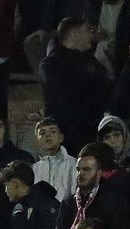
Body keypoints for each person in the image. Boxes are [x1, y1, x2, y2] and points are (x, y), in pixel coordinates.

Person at [39, 18, 110, 152]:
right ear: (74, 34)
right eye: (87, 30)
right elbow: (65, 96)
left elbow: (105, 89)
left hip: (92, 134)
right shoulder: (50, 64)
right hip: (67, 138)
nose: (91, 35)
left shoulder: (91, 62)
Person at [30, 117, 76, 206]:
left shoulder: (73, 164)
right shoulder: (34, 169)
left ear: (61, 137)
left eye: (53, 131)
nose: (48, 135)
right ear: (37, 141)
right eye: (42, 133)